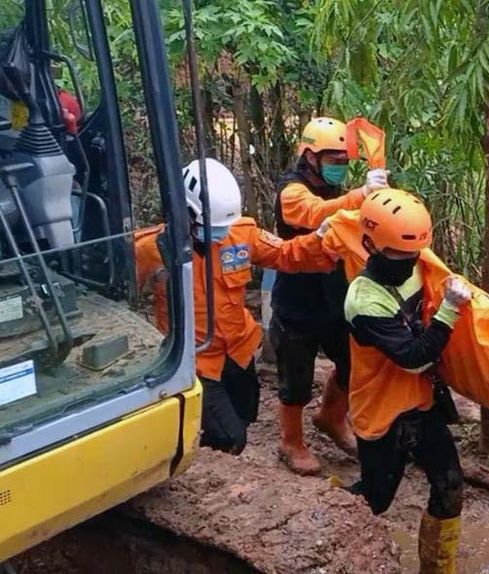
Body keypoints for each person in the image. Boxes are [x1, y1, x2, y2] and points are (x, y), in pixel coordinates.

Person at [135, 158, 336, 454]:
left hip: (238, 351)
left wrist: (319, 240)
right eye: (212, 227)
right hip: (197, 361)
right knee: (231, 436)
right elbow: (120, 299)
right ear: (186, 213)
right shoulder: (150, 249)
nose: (220, 234)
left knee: (245, 415)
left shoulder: (241, 233)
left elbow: (285, 254)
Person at [342, 188, 470, 573]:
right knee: (375, 499)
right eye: (396, 254)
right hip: (382, 414)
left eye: (411, 254)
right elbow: (414, 358)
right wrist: (450, 310)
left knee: (450, 485)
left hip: (420, 405)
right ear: (370, 245)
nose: (407, 262)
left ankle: (437, 568)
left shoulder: (417, 264)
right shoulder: (363, 301)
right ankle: (329, 529)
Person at [270, 116, 389, 475]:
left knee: (353, 363)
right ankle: (291, 442)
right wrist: (359, 196)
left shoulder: (332, 189)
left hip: (334, 294)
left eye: (344, 162)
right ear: (310, 156)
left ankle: (331, 417)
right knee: (296, 377)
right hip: (297, 296)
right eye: (334, 160)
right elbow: (313, 213)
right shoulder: (291, 191)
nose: (340, 167)